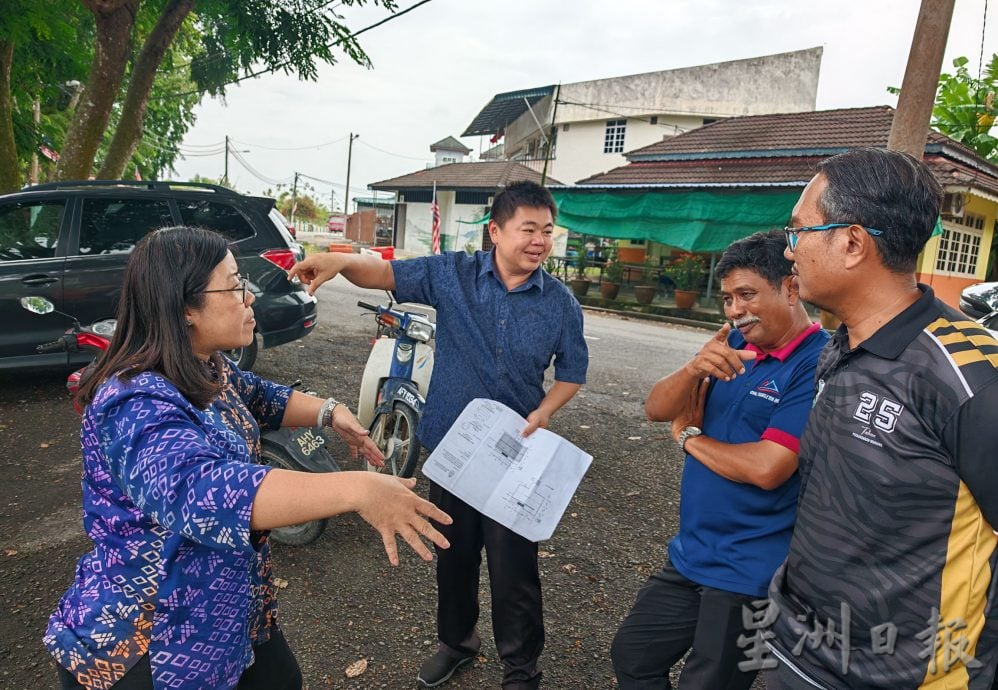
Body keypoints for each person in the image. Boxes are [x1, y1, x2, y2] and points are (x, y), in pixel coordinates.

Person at [45, 226, 452, 690]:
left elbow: (258, 396)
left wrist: (329, 411)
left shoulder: (204, 364)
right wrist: (357, 489)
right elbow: (201, 490)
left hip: (230, 613)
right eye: (235, 285)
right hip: (153, 640)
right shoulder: (133, 401)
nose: (250, 297)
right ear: (184, 307)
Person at [289, 180, 589, 689]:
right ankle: (456, 643)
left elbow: (572, 373)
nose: (539, 241)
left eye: (547, 230)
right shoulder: (453, 274)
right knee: (454, 556)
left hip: (513, 456)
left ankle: (521, 669)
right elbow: (384, 273)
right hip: (455, 449)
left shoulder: (560, 303)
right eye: (528, 229)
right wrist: (339, 261)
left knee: (514, 571)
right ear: (496, 232)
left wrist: (544, 412)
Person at [765, 147, 998, 689]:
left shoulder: (972, 374)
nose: (789, 248)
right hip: (798, 647)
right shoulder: (841, 345)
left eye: (798, 230)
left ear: (852, 243)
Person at [609, 230, 828, 689]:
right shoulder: (733, 342)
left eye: (747, 295)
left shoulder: (815, 363)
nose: (734, 310)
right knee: (633, 655)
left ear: (791, 288)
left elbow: (769, 468)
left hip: (752, 571)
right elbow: (656, 409)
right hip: (693, 554)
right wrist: (694, 368)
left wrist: (689, 438)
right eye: (728, 298)